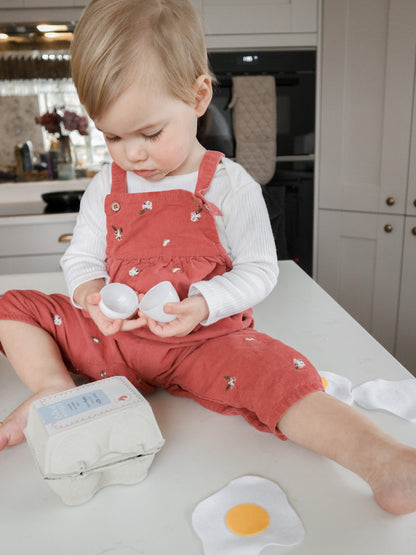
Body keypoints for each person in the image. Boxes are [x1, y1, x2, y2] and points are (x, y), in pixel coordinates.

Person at [0, 0, 415, 516]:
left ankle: (386, 462)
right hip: (116, 341)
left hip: (202, 344)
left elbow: (261, 269)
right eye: (112, 136)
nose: (131, 154)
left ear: (198, 97)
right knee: (14, 305)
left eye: (150, 133)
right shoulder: (106, 184)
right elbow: (82, 259)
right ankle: (54, 388)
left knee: (277, 373)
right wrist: (88, 295)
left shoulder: (227, 183)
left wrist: (202, 303)